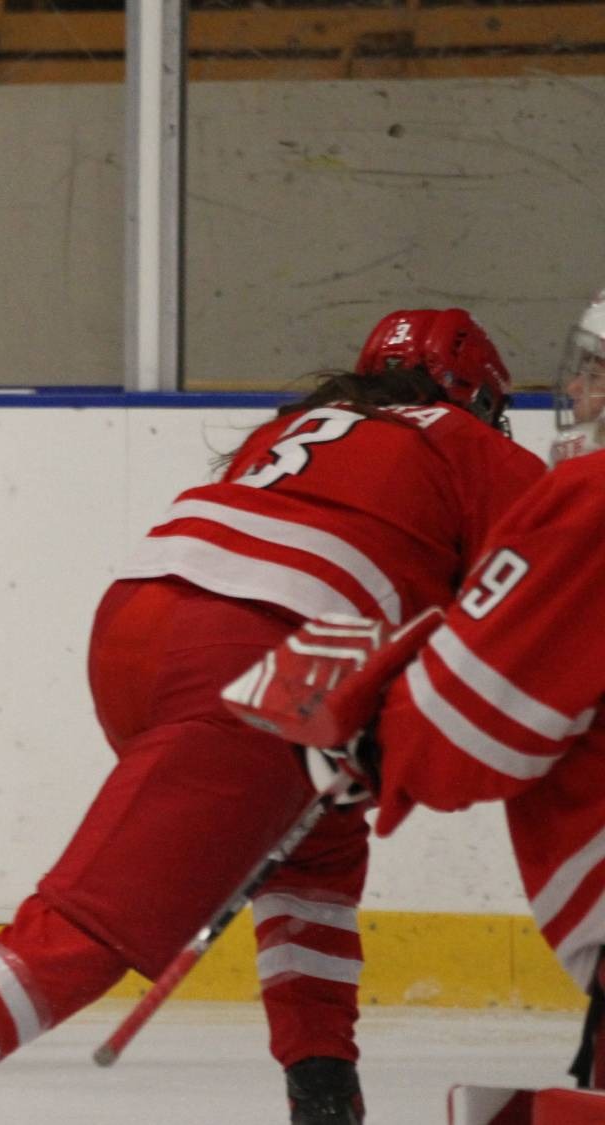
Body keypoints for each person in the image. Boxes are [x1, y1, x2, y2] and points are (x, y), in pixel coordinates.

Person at [0, 308, 544, 1123]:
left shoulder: (306, 422)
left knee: (316, 842)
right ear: (476, 398)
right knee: (110, 913)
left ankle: (323, 1085)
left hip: (146, 625)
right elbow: (566, 558)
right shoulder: (471, 444)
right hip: (266, 649)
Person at [224, 287, 605, 1099]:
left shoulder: (285, 430)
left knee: (307, 853)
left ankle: (318, 1077)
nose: (575, 396)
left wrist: (375, 739)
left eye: (597, 376)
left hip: (220, 649)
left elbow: (471, 715)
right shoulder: (490, 457)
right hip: (316, 665)